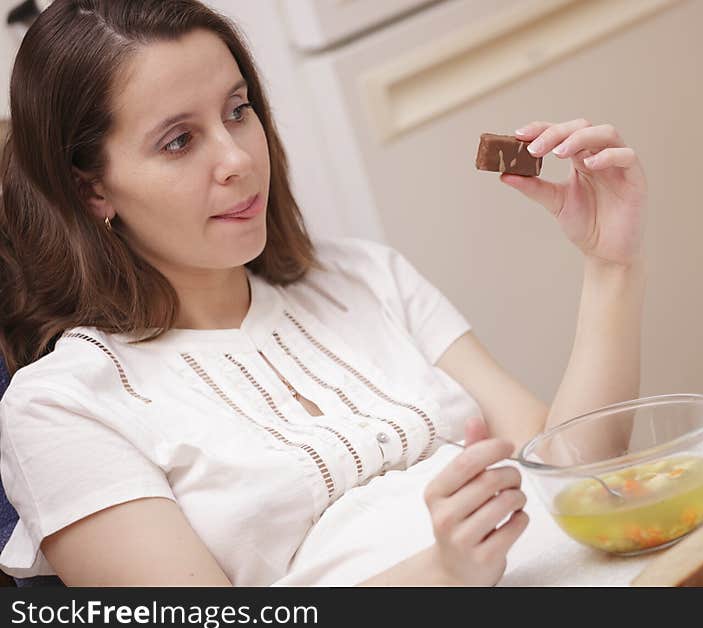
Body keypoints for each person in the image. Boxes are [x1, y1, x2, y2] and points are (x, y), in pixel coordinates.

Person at [0, 0, 647, 587]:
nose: (238, 158)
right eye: (179, 140)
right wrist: (442, 574)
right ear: (93, 190)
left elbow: (573, 471)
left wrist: (609, 263)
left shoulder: (363, 276)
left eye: (237, 109)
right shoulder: (62, 405)